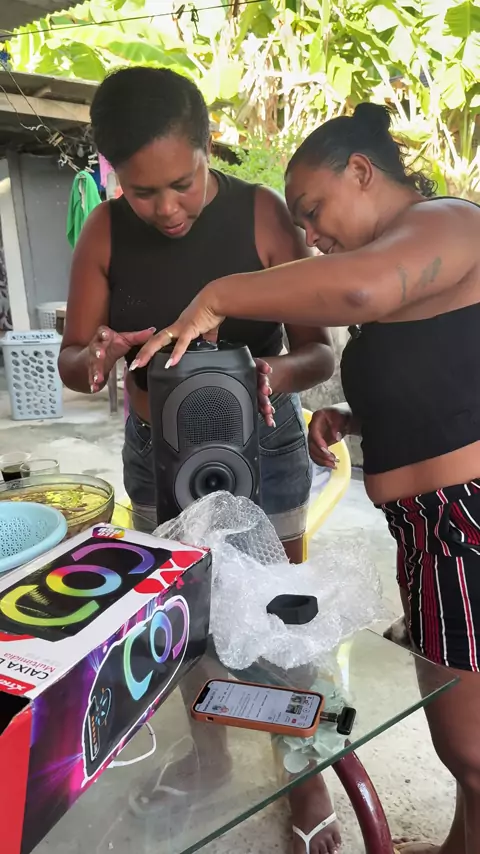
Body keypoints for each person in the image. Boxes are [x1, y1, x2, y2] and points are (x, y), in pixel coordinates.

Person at [133, 101, 480, 854]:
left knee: (473, 748)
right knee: (465, 743)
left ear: (361, 170)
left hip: (466, 519)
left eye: (314, 211)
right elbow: (448, 382)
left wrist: (217, 297)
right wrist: (353, 417)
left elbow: (360, 291)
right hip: (428, 528)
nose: (312, 235)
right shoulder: (412, 263)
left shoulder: (450, 222)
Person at [58, 67, 338, 854]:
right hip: (159, 453)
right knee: (185, 614)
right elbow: (73, 357)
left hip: (264, 446)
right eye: (143, 192)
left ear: (209, 146)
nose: (167, 208)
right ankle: (210, 757)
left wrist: (269, 374)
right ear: (115, 175)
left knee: (281, 612)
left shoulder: (262, 214)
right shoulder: (104, 231)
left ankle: (303, 770)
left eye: (182, 183)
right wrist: (96, 358)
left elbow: (317, 351)